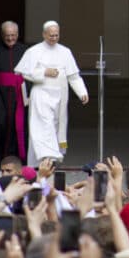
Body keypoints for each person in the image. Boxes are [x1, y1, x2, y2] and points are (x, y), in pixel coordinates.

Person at [14, 21, 88, 164]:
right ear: (44, 34)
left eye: (56, 35)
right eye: (51, 35)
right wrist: (44, 72)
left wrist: (82, 92)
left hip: (60, 95)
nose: (54, 38)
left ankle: (48, 160)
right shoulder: (34, 51)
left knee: (55, 126)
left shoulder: (65, 52)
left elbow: (73, 76)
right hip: (41, 94)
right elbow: (23, 73)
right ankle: (48, 156)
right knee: (43, 125)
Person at [0, 20, 29, 167]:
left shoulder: (24, 50)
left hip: (17, 95)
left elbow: (29, 74)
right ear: (2, 35)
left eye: (13, 35)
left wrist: (28, 95)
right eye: (7, 35)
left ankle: (13, 158)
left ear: (17, 34)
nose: (10, 38)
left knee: (16, 125)